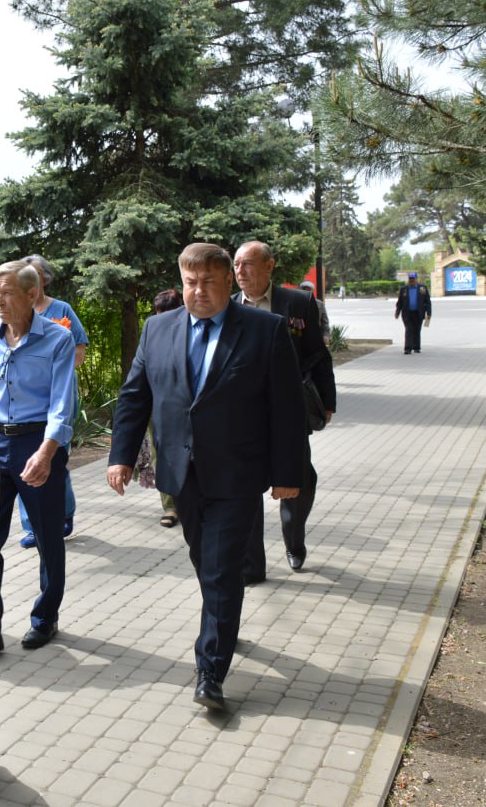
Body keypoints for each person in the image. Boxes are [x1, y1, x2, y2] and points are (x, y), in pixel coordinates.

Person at [106, 242, 305, 713]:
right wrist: (121, 456)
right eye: (190, 283)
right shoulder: (158, 329)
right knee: (206, 563)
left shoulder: (264, 330)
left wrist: (287, 473)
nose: (198, 291)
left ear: (226, 281)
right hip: (183, 475)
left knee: (219, 569)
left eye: (209, 282)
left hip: (238, 474)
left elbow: (287, 409)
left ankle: (210, 671)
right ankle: (223, 619)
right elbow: (135, 396)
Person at [0, 261, 77, 668]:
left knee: (48, 538)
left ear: (32, 295)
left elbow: (62, 403)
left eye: (7, 292)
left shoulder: (58, 339)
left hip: (38, 441)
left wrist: (46, 453)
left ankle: (45, 616)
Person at [233, 241, 337, 579]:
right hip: (244, 416)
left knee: (299, 480)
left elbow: (318, 354)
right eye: (236, 264)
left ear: (269, 266)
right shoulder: (228, 307)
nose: (240, 271)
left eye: (248, 264)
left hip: (288, 411)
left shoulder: (298, 303)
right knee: (245, 487)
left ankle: (294, 542)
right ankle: (252, 565)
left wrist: (328, 400)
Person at [16, 253, 88, 547]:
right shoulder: (14, 313)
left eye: (33, 274)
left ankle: (63, 514)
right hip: (25, 402)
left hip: (58, 397)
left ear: (43, 280)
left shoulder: (62, 310)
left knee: (56, 459)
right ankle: (32, 527)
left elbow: (79, 352)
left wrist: (52, 366)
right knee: (23, 461)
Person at [136, 289, 184, 528]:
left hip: (185, 407)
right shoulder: (151, 331)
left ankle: (188, 501)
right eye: (159, 313)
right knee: (159, 456)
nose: (163, 318)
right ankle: (170, 506)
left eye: (168, 312)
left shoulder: (191, 331)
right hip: (157, 407)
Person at [395, 271, 432, 354]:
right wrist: (397, 312)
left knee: (417, 330)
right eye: (410, 279)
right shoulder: (404, 289)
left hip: (419, 313)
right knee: (409, 330)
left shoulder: (422, 288)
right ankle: (408, 348)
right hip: (407, 313)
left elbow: (427, 301)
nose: (411, 280)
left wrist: (429, 313)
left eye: (413, 279)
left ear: (416, 279)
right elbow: (399, 302)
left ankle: (416, 347)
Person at [298, 279, 331, 347]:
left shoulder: (320, 304)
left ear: (312, 291)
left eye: (308, 290)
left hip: (316, 335)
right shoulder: (296, 303)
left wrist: (325, 335)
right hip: (300, 336)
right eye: (304, 289)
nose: (306, 292)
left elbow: (324, 321)